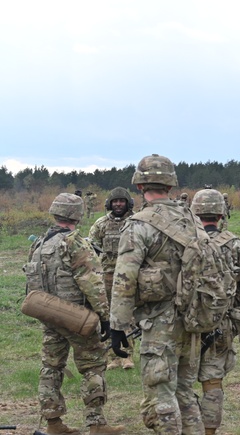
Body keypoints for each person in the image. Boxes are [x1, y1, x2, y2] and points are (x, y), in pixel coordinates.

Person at [109, 154, 206, 435]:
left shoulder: (138, 225)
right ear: (171, 185)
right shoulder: (192, 219)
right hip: (192, 316)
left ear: (140, 187)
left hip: (158, 319)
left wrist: (118, 325)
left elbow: (124, 278)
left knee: (160, 392)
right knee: (186, 390)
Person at [23, 192, 125, 435]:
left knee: (51, 367)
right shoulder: (75, 242)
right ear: (78, 215)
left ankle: (53, 423)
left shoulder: (39, 244)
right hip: (78, 317)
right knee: (93, 366)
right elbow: (92, 283)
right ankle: (96, 423)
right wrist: (105, 318)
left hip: (49, 315)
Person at [191, 189, 240, 435]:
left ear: (195, 212)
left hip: (185, 323)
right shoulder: (234, 243)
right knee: (212, 380)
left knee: (182, 380)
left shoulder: (185, 240)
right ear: (221, 214)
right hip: (221, 323)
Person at [89, 187, 136, 369]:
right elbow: (91, 247)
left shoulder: (135, 222)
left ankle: (127, 355)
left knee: (128, 315)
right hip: (107, 275)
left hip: (129, 275)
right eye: (115, 201)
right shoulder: (101, 224)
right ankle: (112, 357)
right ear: (110, 203)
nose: (118, 204)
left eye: (121, 201)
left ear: (127, 203)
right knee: (108, 316)